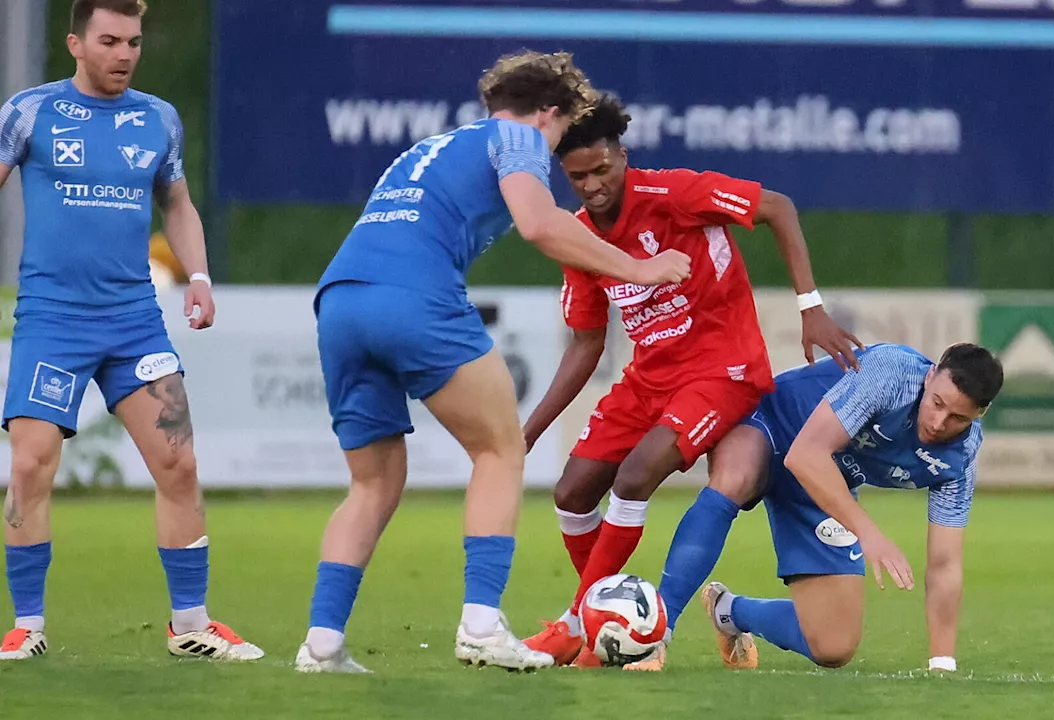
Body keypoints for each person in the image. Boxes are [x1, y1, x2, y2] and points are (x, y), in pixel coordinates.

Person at [294, 52, 692, 674]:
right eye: (561, 136)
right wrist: (640, 268)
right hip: (414, 296)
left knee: (373, 481)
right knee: (500, 449)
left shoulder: (431, 147)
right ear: (551, 114)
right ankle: (481, 625)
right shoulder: (520, 137)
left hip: (340, 300)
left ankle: (320, 645)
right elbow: (539, 223)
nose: (557, 155)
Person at [520, 94, 862, 667]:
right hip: (648, 377)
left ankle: (577, 625)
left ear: (622, 156)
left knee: (633, 478)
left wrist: (810, 305)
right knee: (572, 492)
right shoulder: (577, 237)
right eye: (578, 176)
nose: (593, 185)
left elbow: (777, 206)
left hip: (722, 370)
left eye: (603, 169)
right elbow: (586, 344)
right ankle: (616, 620)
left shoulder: (674, 194)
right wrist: (526, 432)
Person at [0, 0, 263, 662]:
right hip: (53, 321)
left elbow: (176, 202)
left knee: (180, 463)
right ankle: (26, 628)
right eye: (111, 41)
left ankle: (192, 625)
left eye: (135, 42)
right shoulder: (29, 112)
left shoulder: (157, 119)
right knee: (30, 465)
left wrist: (199, 278)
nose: (125, 54)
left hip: (135, 322)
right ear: (75, 44)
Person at [630, 342, 1002, 673]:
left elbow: (945, 564)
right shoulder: (892, 371)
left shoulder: (961, 456)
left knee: (833, 645)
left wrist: (942, 664)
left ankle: (729, 611)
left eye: (958, 418)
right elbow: (805, 454)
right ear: (930, 376)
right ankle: (655, 635)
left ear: (979, 414)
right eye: (937, 403)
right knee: (735, 479)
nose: (939, 423)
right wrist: (868, 533)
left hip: (823, 478)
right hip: (773, 426)